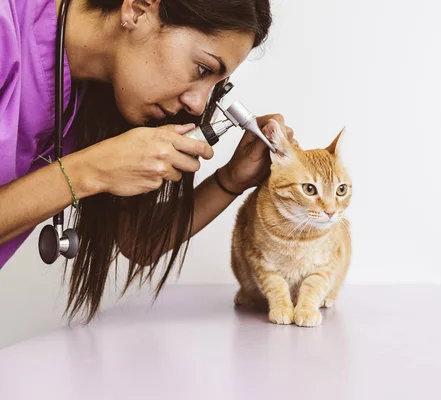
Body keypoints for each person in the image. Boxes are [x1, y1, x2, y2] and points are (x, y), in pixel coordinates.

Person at [0, 0, 294, 321]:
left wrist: (232, 180)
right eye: (202, 69)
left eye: (215, 85)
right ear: (138, 9)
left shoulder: (101, 90)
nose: (197, 105)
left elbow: (138, 242)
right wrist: (89, 171)